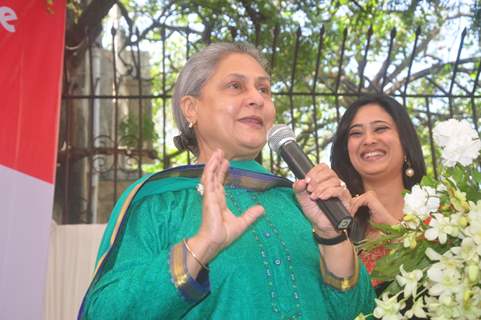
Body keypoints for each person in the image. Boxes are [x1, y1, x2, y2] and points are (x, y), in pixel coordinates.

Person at [78, 42, 375, 319]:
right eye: (235, 86)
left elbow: (360, 310)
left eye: (264, 89)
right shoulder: (159, 201)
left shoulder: (299, 203)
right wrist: (200, 246)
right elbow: (105, 312)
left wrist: (331, 236)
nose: (257, 99)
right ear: (191, 108)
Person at [330, 94, 426, 288]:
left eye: (380, 128)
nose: (368, 140)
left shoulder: (444, 213)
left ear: (405, 143)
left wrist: (394, 230)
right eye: (356, 133)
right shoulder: (337, 228)